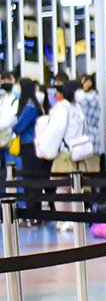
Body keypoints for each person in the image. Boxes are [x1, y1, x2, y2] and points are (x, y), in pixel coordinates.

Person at [12, 79, 48, 221]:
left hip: (30, 147)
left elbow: (19, 126)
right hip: (30, 146)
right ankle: (35, 215)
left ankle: (33, 215)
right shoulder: (33, 104)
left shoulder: (30, 106)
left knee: (31, 182)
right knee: (33, 182)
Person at [75, 72, 104, 172]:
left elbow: (88, 119)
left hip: (90, 139)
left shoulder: (91, 99)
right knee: (82, 171)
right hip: (81, 140)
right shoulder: (82, 98)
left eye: (87, 81)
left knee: (92, 170)